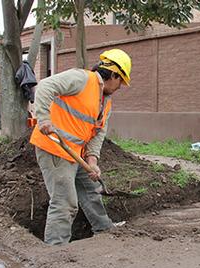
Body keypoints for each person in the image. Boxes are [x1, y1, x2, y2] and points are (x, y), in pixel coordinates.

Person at [29, 49, 132, 245]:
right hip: (55, 148)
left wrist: (92, 160)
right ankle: (56, 250)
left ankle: (104, 230)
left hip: (77, 154)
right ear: (114, 75)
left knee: (90, 190)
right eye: (121, 81)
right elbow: (45, 86)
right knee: (65, 202)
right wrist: (43, 118)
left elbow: (98, 134)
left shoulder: (106, 102)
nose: (120, 87)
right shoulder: (82, 79)